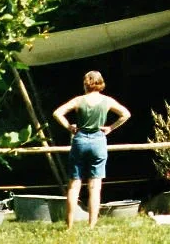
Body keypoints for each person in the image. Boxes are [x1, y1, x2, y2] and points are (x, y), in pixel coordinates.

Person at [53, 70, 131, 228]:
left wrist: (69, 127)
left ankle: (69, 226)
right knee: (95, 187)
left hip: (80, 140)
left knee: (74, 186)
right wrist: (110, 128)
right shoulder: (107, 100)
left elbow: (57, 113)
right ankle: (91, 225)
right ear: (100, 83)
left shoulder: (78, 100)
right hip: (98, 141)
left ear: (85, 83)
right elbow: (125, 114)